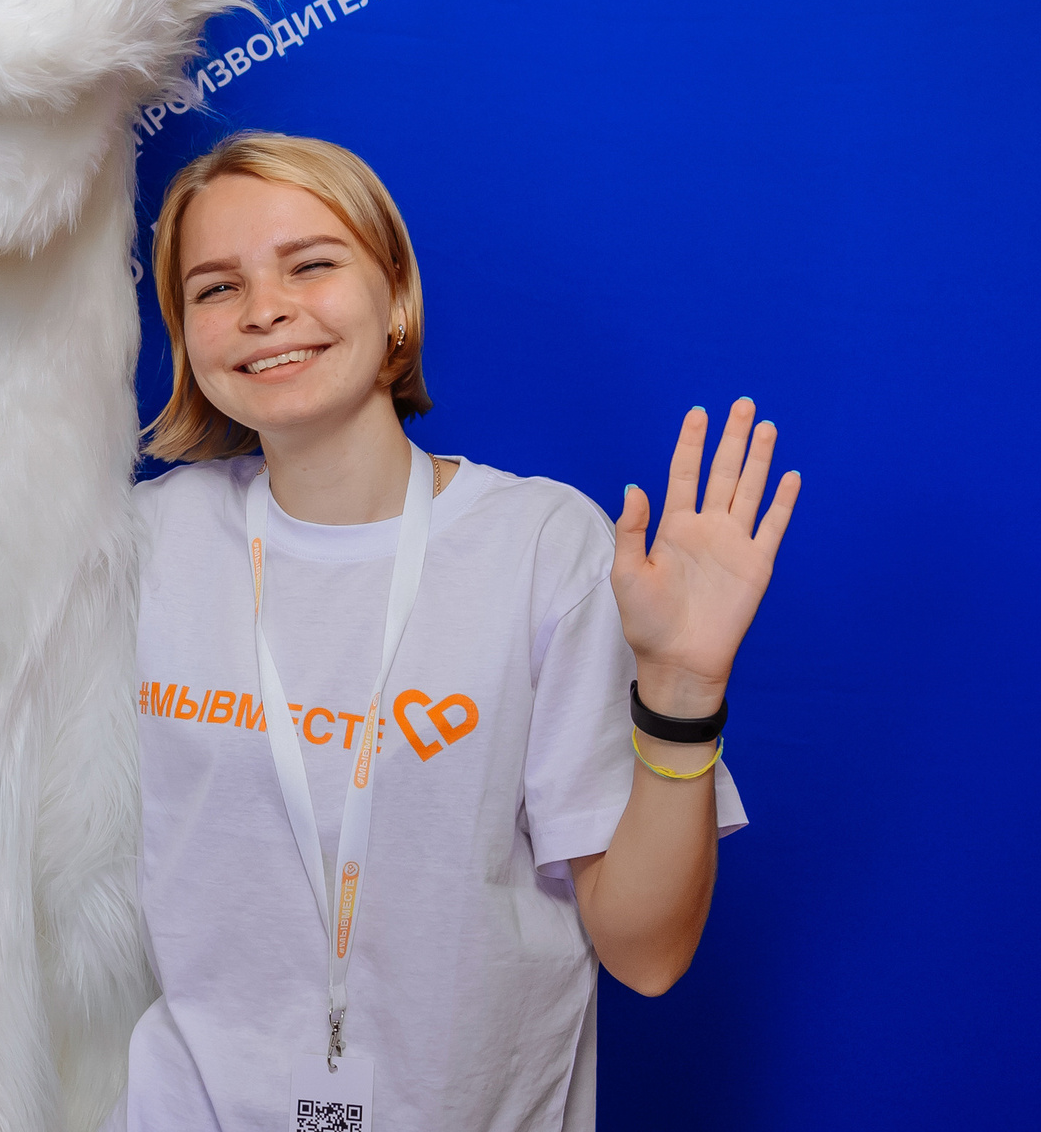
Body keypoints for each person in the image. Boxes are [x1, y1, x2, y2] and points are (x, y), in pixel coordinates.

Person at [113, 132, 799, 1132]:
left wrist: (683, 690)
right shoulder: (142, 544)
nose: (263, 308)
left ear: (395, 300)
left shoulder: (538, 545)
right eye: (215, 288)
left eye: (310, 264)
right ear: (183, 336)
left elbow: (646, 953)